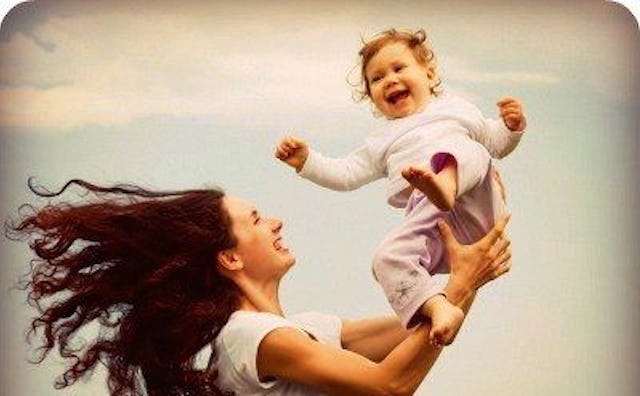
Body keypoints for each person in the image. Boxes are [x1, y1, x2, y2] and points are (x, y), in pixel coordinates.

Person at [6, 178, 511, 395]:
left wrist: (467, 271)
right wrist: (461, 286)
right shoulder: (251, 336)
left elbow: (415, 329)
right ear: (228, 257)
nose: (275, 222)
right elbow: (388, 384)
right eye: (256, 219)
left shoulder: (302, 330)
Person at [275, 28, 527, 346]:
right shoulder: (382, 140)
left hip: (475, 203)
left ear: (429, 73)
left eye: (398, 68)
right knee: (385, 258)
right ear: (372, 98)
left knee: (471, 151)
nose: (389, 80)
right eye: (377, 79)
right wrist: (306, 160)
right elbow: (347, 173)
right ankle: (438, 308)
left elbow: (495, 144)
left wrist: (511, 126)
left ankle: (445, 183)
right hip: (431, 218)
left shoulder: (457, 110)